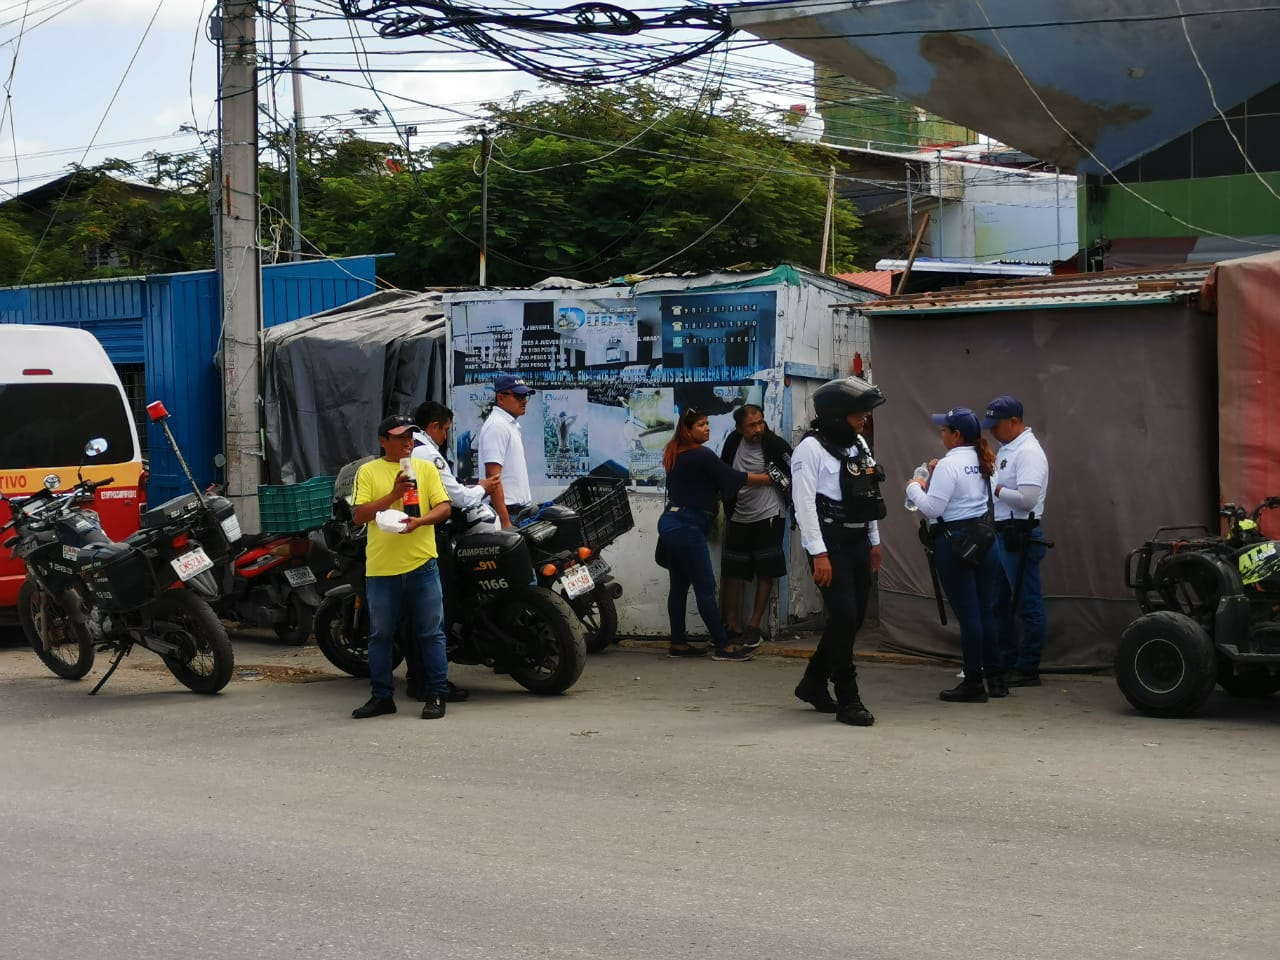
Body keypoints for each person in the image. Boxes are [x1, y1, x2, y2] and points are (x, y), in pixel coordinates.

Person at [790, 377, 886, 726]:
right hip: (829, 543)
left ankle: (813, 681)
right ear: (836, 415)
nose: (863, 420)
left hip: (858, 540)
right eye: (857, 414)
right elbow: (804, 506)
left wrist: (874, 540)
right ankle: (848, 697)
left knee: (853, 619)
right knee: (843, 616)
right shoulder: (810, 450)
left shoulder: (858, 443)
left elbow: (869, 493)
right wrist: (819, 554)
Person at [350, 415, 453, 720]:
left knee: (432, 633)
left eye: (410, 436)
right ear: (383, 441)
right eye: (399, 437)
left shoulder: (424, 467)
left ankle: (436, 694)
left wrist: (420, 521)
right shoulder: (368, 472)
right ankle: (381, 696)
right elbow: (358, 515)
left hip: (422, 563)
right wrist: (394, 494)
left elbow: (444, 506)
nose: (407, 442)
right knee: (380, 635)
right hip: (382, 569)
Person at [407, 399, 505, 705]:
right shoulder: (426, 453)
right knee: (438, 611)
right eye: (445, 430)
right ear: (434, 427)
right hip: (430, 538)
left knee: (421, 614)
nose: (446, 437)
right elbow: (456, 497)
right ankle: (429, 682)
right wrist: (482, 488)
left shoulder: (415, 452)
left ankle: (420, 678)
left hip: (419, 538)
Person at [906, 407, 1005, 703]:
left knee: (969, 615)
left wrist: (914, 488)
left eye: (945, 430)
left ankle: (974, 681)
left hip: (955, 543)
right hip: (986, 540)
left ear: (957, 435)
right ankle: (997, 679)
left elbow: (932, 509)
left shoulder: (950, 466)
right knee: (986, 610)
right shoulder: (984, 460)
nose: (942, 434)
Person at [659, 407, 773, 662]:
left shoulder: (675, 452)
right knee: (706, 586)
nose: (707, 428)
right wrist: (768, 479)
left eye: (708, 423)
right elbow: (732, 477)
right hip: (687, 525)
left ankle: (678, 642)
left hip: (672, 523)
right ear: (687, 431)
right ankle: (724, 646)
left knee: (679, 586)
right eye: (700, 425)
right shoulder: (701, 454)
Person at [981, 395, 1050, 687]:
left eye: (996, 425)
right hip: (1005, 532)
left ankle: (1027, 667)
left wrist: (996, 490)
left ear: (1014, 422)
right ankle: (1007, 659)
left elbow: (1028, 499)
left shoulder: (1029, 452)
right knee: (998, 601)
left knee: (1027, 602)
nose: (992, 431)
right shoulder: (1008, 448)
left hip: (1020, 532)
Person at [719, 404, 792, 649]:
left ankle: (754, 625)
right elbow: (724, 472)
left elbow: (789, 474)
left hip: (769, 514)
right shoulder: (732, 443)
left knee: (765, 570)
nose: (758, 428)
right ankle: (732, 625)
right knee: (733, 569)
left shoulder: (775, 445)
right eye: (752, 425)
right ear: (740, 428)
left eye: (760, 422)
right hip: (739, 514)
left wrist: (747, 478)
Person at [477, 374, 535, 529]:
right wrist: (505, 521)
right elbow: (492, 476)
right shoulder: (497, 426)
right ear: (501, 398)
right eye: (518, 396)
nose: (523, 401)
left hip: (518, 511)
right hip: (508, 512)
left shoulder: (508, 424)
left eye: (525, 396)